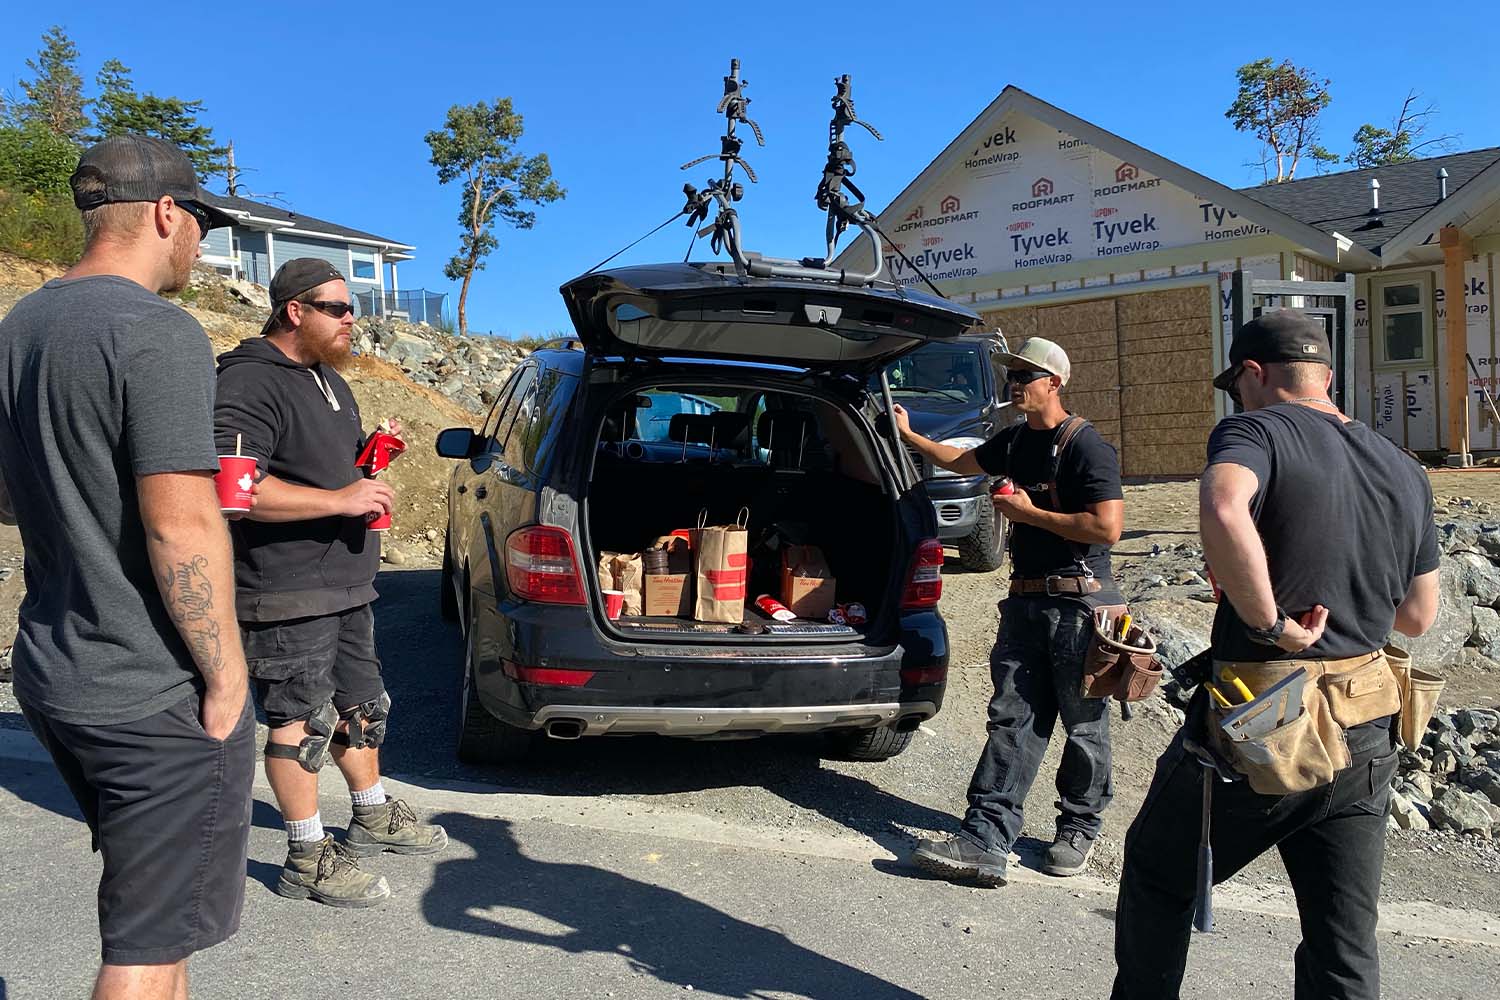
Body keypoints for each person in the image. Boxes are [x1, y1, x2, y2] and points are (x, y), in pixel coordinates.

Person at [1111, 311, 1440, 999]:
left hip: (1268, 719)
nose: (1238, 399)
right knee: (1342, 938)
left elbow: (1224, 506)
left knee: (1158, 873)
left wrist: (1271, 624)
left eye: (1238, 386)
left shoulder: (1256, 429)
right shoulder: (1403, 466)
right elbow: (1417, 616)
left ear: (1255, 374)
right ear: (1327, 377)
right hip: (1368, 721)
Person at [0, 135, 253, 999]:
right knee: (145, 947)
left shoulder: (20, 327)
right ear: (166, 213)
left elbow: (10, 499)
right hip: (149, 690)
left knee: (163, 925)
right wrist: (227, 679)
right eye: (202, 225)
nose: (201, 246)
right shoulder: (157, 331)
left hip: (55, 672)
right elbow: (181, 527)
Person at [214, 258, 446, 908]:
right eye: (339, 309)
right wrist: (341, 500)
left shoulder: (328, 380)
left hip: (347, 582)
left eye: (352, 310)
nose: (352, 321)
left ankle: (370, 814)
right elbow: (235, 489)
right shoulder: (248, 381)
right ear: (296, 310)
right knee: (300, 721)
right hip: (287, 589)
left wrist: (369, 456)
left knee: (362, 707)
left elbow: (320, 469)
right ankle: (306, 855)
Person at [895, 336, 1125, 885]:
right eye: (1011, 376)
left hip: (1079, 605)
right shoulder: (1015, 439)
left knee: (1084, 725)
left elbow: (1107, 528)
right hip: (1024, 603)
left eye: (1025, 376)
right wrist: (910, 436)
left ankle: (1079, 827)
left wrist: (1029, 513)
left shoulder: (1087, 447)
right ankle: (985, 837)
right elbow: (962, 459)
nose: (1014, 384)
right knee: (1012, 718)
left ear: (1055, 383)